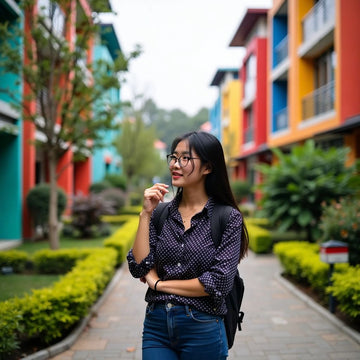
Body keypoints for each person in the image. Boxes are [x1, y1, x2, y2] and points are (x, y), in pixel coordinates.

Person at [127, 131, 249, 360]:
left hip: (203, 326)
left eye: (185, 158)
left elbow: (218, 282)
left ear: (207, 167)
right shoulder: (160, 213)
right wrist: (145, 214)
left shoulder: (227, 217)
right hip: (157, 325)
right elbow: (139, 267)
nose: (175, 164)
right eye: (174, 157)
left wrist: (159, 285)